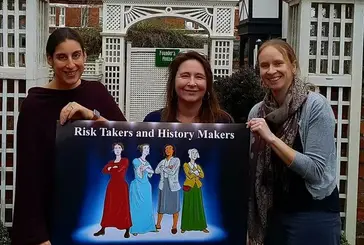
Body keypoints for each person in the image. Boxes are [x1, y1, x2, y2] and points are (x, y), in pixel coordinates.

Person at [11, 27, 126, 245]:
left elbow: (124, 138)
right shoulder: (35, 105)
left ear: (85, 55)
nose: (71, 65)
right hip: (51, 214)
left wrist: (92, 115)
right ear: (50, 60)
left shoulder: (97, 93)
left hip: (92, 209)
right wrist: (39, 237)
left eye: (76, 55)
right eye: (62, 57)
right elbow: (29, 174)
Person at [246, 39, 341, 245]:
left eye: (278, 63)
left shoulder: (315, 105)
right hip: (273, 216)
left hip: (314, 214)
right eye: (264, 65)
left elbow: (316, 171)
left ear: (293, 66)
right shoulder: (258, 112)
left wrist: (271, 139)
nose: (271, 70)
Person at [143, 51, 233, 123]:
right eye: (185, 76)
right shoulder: (154, 120)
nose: (192, 83)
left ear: (208, 83)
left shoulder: (223, 121)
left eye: (199, 77)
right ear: (173, 81)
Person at [94, 142, 132, 238]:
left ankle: (127, 229)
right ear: (113, 150)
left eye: (119, 148)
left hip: (121, 186)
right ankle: (103, 228)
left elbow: (120, 169)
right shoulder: (111, 162)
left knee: (123, 206)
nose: (117, 149)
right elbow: (105, 170)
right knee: (109, 206)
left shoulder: (125, 160)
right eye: (115, 148)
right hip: (112, 186)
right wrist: (112, 167)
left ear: (122, 149)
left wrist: (113, 168)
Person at [129, 144, 156, 236]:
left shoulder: (147, 163)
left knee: (147, 206)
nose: (147, 150)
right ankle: (136, 228)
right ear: (141, 150)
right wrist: (146, 169)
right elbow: (140, 172)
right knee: (137, 207)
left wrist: (146, 168)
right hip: (137, 185)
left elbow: (151, 172)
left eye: (148, 148)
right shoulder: (136, 160)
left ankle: (149, 227)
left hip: (146, 186)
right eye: (145, 148)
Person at [154, 144, 181, 234]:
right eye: (166, 149)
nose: (167, 150)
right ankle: (158, 224)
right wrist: (166, 168)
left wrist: (164, 168)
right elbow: (156, 170)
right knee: (161, 205)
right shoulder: (162, 161)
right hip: (163, 184)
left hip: (173, 186)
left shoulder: (176, 160)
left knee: (175, 206)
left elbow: (172, 171)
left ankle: (174, 226)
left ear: (173, 150)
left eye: (170, 148)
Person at [180, 148, 209, 233]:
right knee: (188, 206)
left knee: (198, 206)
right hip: (189, 187)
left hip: (197, 187)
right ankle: (184, 227)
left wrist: (195, 172)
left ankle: (201, 226)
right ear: (190, 155)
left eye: (196, 153)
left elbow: (202, 175)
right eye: (193, 153)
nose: (195, 154)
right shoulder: (186, 165)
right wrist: (195, 173)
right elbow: (189, 175)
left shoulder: (198, 166)